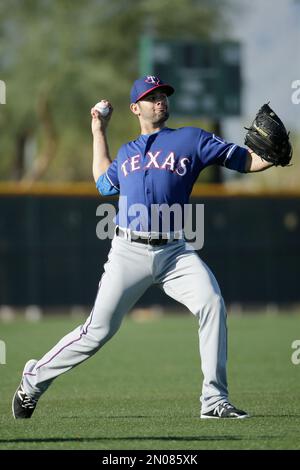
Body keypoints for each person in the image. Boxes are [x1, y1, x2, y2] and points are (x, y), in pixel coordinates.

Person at [12, 75, 274, 420]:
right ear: (136, 108)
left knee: (212, 303)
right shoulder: (127, 152)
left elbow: (245, 160)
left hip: (175, 252)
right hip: (128, 252)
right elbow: (104, 182)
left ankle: (213, 400)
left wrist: (271, 157)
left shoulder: (190, 139)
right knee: (97, 332)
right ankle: (32, 380)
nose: (160, 99)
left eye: (163, 94)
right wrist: (98, 131)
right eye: (151, 96)